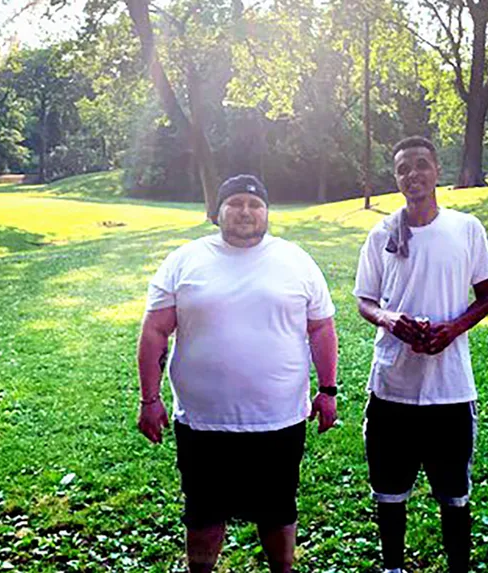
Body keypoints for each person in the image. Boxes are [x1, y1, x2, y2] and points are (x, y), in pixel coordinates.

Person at [136, 174, 339, 573]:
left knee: (278, 509)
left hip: (279, 418)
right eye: (235, 203)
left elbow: (322, 328)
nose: (245, 211)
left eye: (254, 204)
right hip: (203, 421)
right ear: (217, 212)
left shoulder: (296, 259)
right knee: (203, 512)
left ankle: (282, 569)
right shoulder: (185, 259)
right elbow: (155, 330)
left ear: (267, 212)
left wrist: (328, 389)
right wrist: (150, 398)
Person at [353, 136, 488, 573]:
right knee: (389, 493)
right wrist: (390, 320)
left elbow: (487, 297)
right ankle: (393, 567)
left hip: (449, 389)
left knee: (454, 494)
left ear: (437, 170)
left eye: (421, 165)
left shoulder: (466, 228)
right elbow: (364, 300)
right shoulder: (381, 233)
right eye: (402, 169)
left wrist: (452, 329)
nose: (412, 174)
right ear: (395, 178)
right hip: (392, 387)